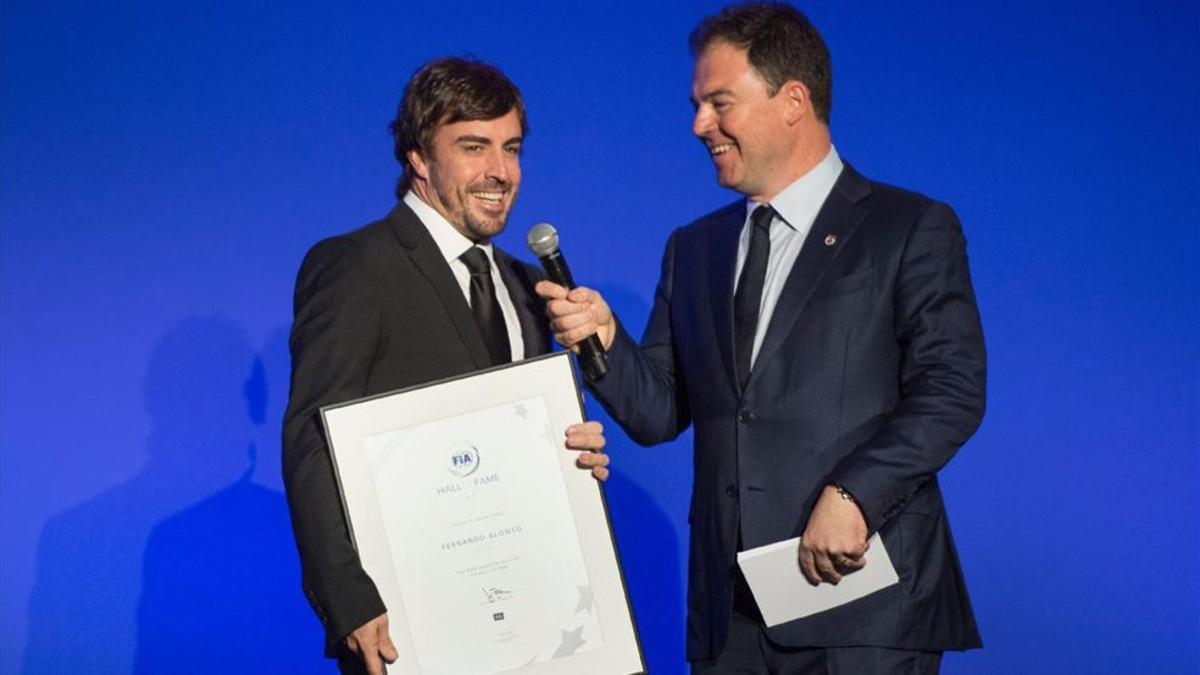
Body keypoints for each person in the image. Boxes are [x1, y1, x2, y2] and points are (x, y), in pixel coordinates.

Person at [537, 3, 985, 673]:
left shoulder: (908, 227)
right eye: (696, 105)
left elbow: (951, 390)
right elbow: (660, 412)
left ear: (793, 101)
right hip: (730, 621)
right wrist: (606, 340)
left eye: (720, 103)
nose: (698, 125)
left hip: (860, 607)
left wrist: (854, 492)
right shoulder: (695, 248)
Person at [282, 57, 611, 675]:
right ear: (418, 157)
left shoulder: (522, 284)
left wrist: (569, 452)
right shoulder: (357, 266)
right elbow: (311, 440)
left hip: (535, 627)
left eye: (511, 148)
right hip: (413, 629)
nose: (500, 172)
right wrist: (348, 598)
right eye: (472, 146)